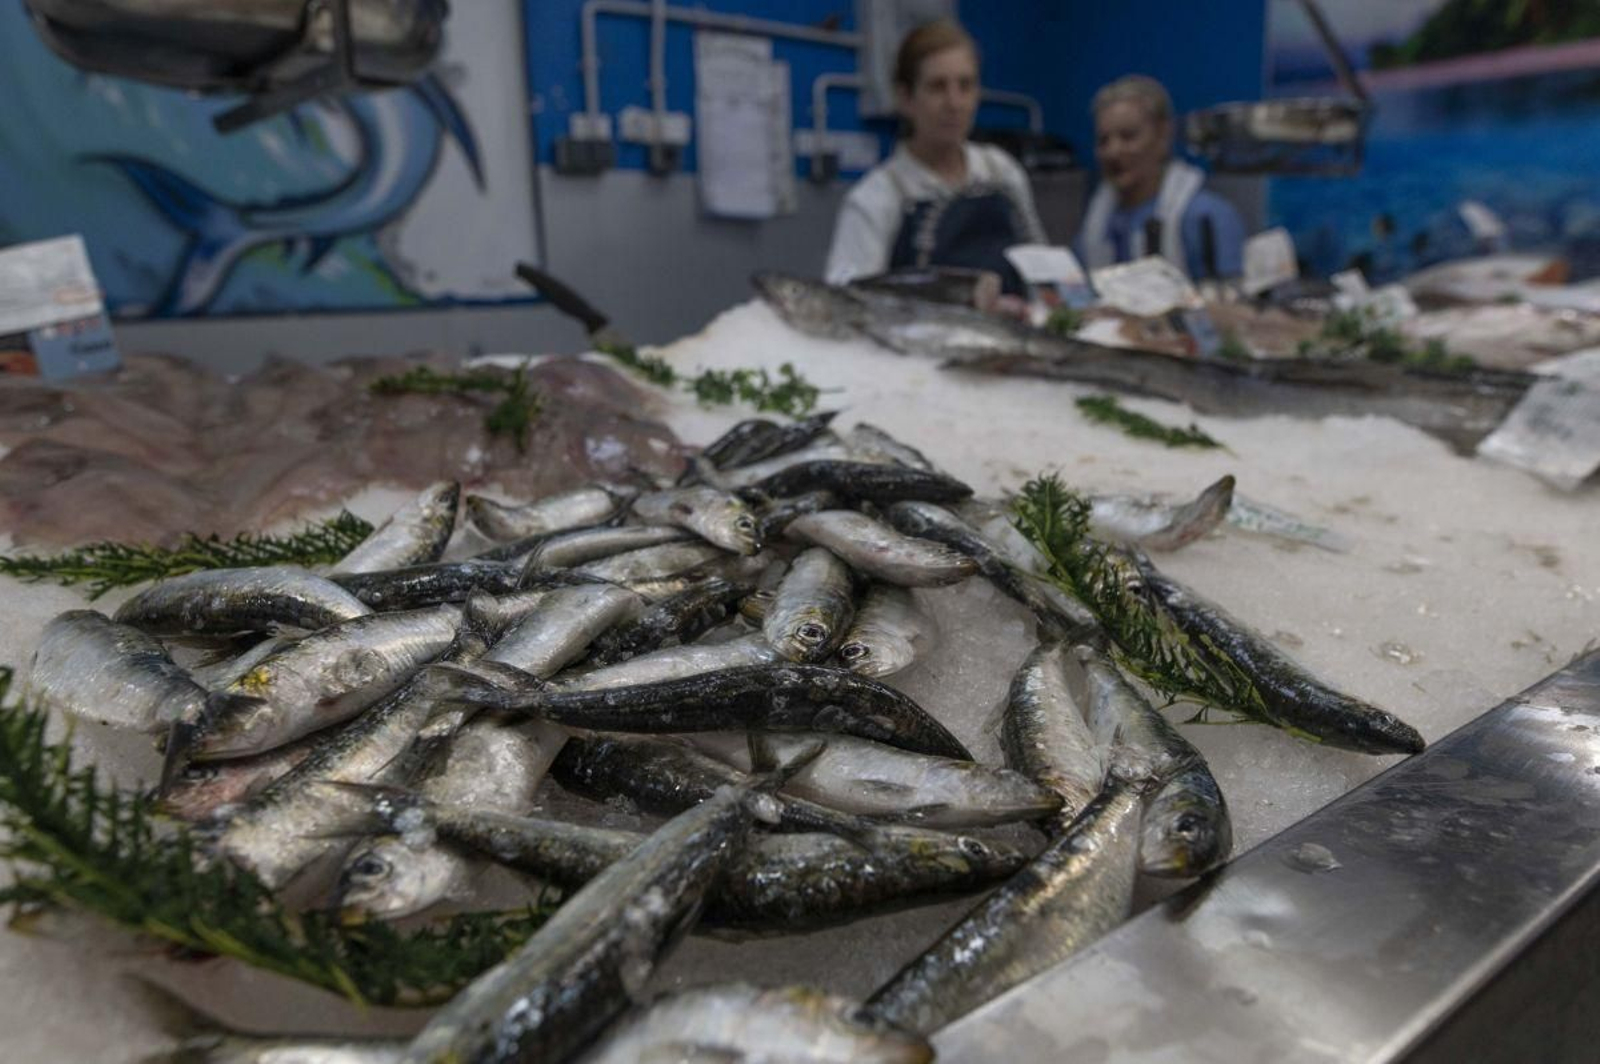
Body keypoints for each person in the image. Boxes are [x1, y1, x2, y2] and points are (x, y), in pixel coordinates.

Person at [823, 19, 1046, 295]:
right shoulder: (875, 198)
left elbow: (1043, 271)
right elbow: (847, 301)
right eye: (937, 87)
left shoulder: (1001, 170)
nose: (954, 103)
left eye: (965, 86)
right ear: (905, 97)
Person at [1077, 75, 1245, 281]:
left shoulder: (1206, 216)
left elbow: (1234, 303)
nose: (1113, 151)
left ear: (1163, 135)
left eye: (1128, 136)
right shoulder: (1096, 223)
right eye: (1103, 141)